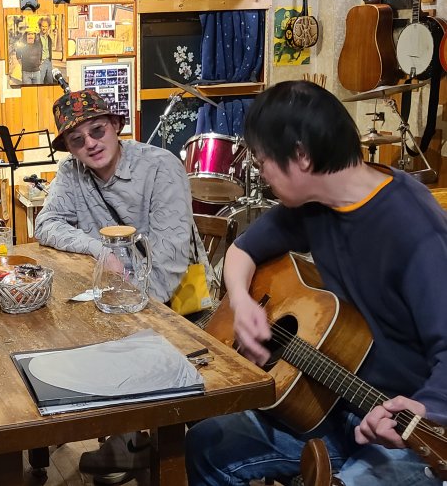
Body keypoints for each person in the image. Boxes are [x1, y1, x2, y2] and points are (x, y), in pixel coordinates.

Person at [185, 80, 447, 486]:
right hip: (326, 402)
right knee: (205, 443)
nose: (261, 174)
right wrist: (241, 301)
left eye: (262, 162)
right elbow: (241, 251)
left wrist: (423, 410)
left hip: (400, 429)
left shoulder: (414, 230)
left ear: (301, 156)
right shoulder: (315, 204)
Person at [35, 89, 194, 484]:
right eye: (77, 140)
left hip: (176, 302)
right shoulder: (72, 173)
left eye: (97, 131)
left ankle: (138, 443)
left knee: (85, 333)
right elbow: (47, 223)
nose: (90, 144)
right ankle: (125, 439)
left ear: (116, 126)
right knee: (50, 328)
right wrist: (98, 249)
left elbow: (169, 263)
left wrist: (128, 316)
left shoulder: (160, 166)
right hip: (113, 293)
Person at [38, 16, 55, 85]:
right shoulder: (36, 37)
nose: (44, 28)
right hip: (41, 63)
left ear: (48, 27)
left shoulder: (49, 38)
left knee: (50, 82)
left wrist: (50, 60)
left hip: (49, 61)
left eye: (46, 26)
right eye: (42, 26)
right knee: (40, 82)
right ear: (40, 26)